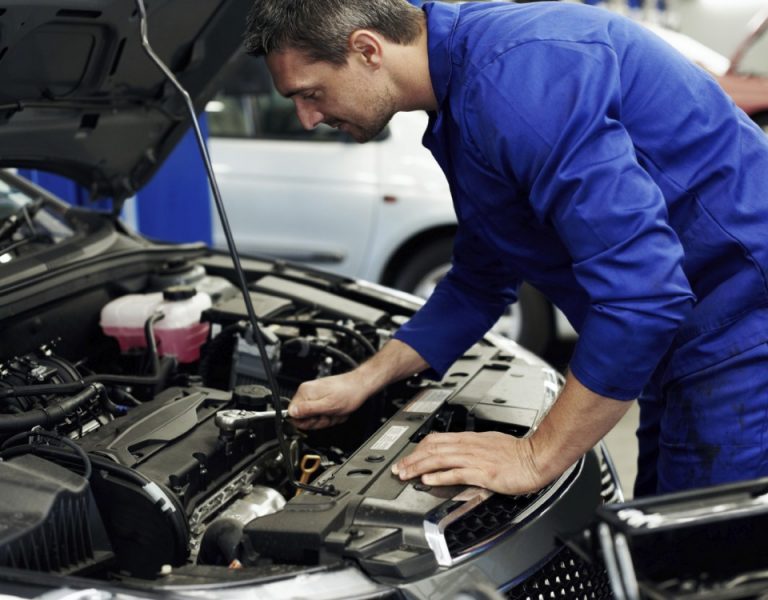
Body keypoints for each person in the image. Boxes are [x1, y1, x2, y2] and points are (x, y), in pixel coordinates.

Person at [243, 0, 768, 497]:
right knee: (657, 548)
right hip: (687, 339)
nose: (307, 119)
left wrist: (534, 456)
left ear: (367, 50)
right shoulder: (463, 92)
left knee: (704, 565)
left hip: (743, 329)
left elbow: (644, 296)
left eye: (309, 94)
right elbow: (478, 282)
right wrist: (364, 380)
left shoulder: (515, 85)